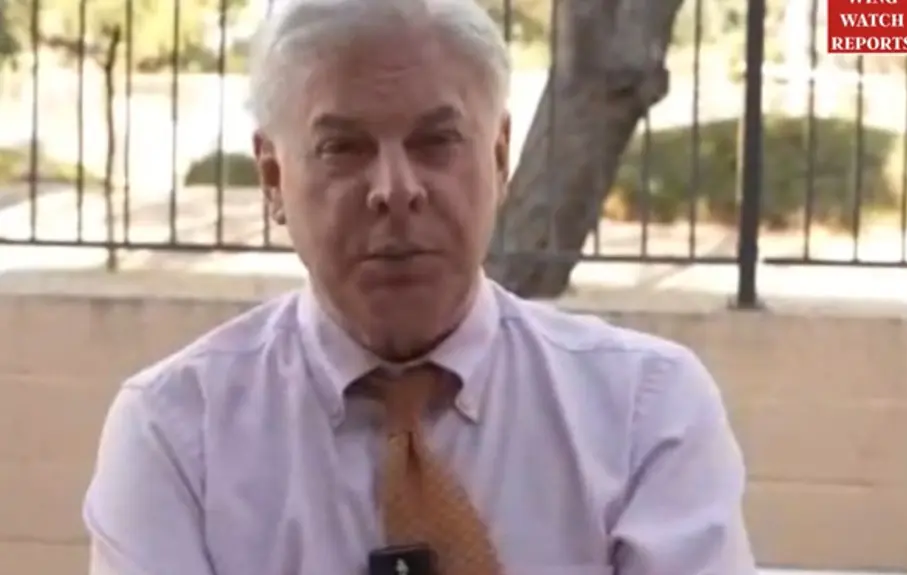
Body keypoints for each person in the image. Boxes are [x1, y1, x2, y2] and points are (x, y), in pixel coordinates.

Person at [82, 0, 757, 573]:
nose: (395, 190)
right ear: (272, 178)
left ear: (498, 156)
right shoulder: (176, 435)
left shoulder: (644, 413)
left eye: (437, 141)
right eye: (343, 148)